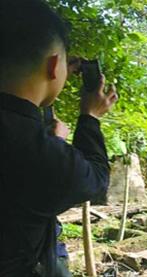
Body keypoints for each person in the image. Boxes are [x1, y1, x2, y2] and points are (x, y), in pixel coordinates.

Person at [0, 0, 118, 276]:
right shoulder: (41, 154)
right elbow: (96, 179)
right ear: (55, 66)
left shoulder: (32, 142)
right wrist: (90, 117)